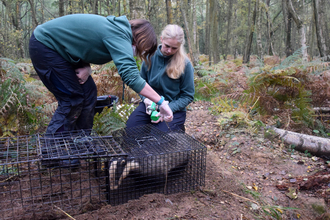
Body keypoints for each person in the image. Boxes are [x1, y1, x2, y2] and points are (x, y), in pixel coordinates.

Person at [29, 14, 173, 134]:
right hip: (45, 45)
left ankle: (80, 143)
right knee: (71, 99)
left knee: (88, 91)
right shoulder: (119, 35)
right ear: (140, 40)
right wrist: (161, 102)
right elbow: (130, 76)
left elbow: (85, 43)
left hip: (61, 50)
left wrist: (86, 66)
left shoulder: (117, 31)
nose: (138, 54)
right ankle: (54, 153)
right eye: (142, 50)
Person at [126, 24, 195, 132]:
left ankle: (177, 129)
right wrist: (146, 100)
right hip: (150, 105)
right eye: (167, 46)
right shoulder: (149, 57)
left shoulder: (185, 64)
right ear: (161, 39)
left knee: (157, 140)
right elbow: (141, 83)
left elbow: (188, 95)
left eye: (174, 48)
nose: (169, 50)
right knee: (131, 130)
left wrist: (169, 108)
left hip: (174, 110)